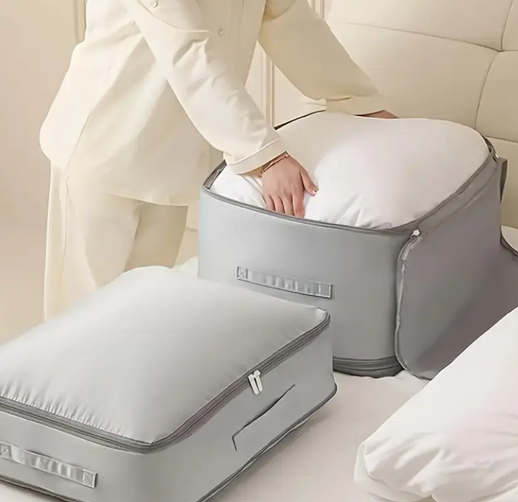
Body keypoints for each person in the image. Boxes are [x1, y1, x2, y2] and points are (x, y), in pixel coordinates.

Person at [39, 0, 395, 319]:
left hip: (171, 162)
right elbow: (188, 50)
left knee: (139, 312)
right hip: (103, 146)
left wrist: (359, 101)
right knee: (80, 318)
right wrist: (267, 157)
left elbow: (288, 20)